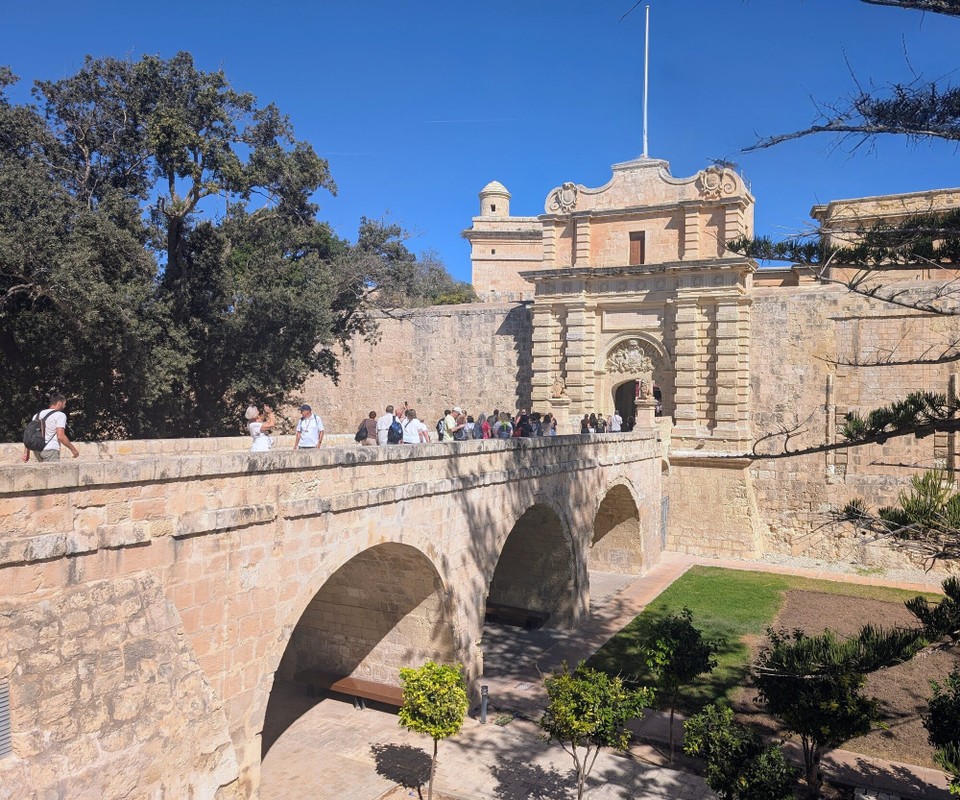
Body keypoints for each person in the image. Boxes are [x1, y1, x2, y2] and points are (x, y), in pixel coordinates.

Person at [22, 392, 79, 462]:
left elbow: (30, 434)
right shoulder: (60, 415)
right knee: (53, 469)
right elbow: (60, 436)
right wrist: (73, 449)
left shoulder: (37, 415)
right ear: (60, 403)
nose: (65, 406)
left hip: (37, 450)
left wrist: (26, 453)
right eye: (64, 403)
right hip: (51, 450)